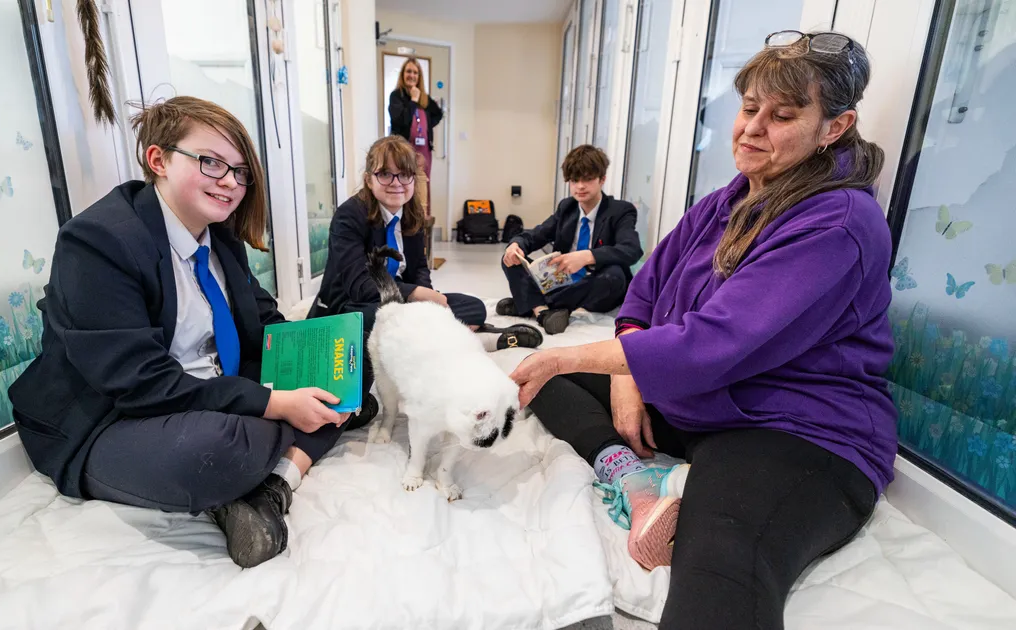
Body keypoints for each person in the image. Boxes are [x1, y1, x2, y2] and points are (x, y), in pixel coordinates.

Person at [509, 31, 893, 630]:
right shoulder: (725, 201)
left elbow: (713, 342)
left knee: (720, 565)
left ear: (834, 128)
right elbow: (643, 293)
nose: (752, 129)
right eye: (748, 110)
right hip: (696, 405)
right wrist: (626, 383)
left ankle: (688, 486)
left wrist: (583, 361)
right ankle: (638, 481)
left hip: (793, 428)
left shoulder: (839, 221)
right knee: (538, 381)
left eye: (783, 115)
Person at [8, 96, 355, 569]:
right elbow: (140, 383)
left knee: (358, 359)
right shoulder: (98, 242)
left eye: (240, 171)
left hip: (209, 387)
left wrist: (322, 355)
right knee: (218, 447)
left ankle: (274, 485)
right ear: (158, 159)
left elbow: (264, 326)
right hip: (113, 419)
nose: (231, 182)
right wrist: (276, 403)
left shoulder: (220, 236)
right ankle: (265, 460)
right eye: (211, 162)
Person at [308, 136, 542, 426]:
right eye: (385, 173)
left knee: (472, 307)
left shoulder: (411, 213)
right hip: (353, 305)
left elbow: (419, 268)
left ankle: (476, 334)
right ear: (369, 180)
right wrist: (420, 297)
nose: (396, 182)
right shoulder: (349, 216)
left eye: (404, 174)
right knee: (384, 321)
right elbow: (360, 285)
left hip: (401, 305)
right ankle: (477, 338)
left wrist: (428, 301)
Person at [498, 145, 642, 335]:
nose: (580, 186)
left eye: (588, 179)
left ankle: (530, 305)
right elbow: (537, 234)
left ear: (602, 180)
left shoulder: (620, 210)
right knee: (510, 260)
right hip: (560, 281)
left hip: (595, 284)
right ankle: (543, 312)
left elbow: (631, 249)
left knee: (614, 276)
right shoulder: (567, 207)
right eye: (575, 180)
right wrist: (516, 245)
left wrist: (587, 256)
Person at [388, 58, 442, 213]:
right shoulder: (396, 96)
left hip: (424, 152)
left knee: (423, 187)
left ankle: (422, 222)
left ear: (419, 76)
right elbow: (400, 120)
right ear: (403, 74)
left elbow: (438, 114)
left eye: (415, 72)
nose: (412, 75)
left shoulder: (424, 98)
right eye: (409, 71)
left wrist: (426, 127)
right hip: (403, 151)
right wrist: (412, 100)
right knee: (405, 186)